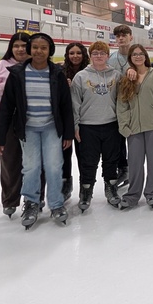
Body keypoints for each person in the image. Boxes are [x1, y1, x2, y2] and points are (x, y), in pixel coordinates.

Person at [0, 33, 74, 229]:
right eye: (35, 47)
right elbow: (7, 107)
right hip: (27, 128)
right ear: (30, 49)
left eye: (43, 48)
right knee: (31, 167)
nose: (39, 51)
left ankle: (56, 203)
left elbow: (65, 106)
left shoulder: (57, 73)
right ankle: (31, 202)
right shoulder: (17, 73)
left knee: (54, 167)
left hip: (51, 128)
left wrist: (69, 133)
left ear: (50, 51)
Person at [115, 44, 153, 210]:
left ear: (145, 56)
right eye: (134, 54)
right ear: (130, 58)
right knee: (134, 163)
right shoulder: (127, 78)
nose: (138, 57)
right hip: (133, 128)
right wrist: (124, 126)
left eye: (141, 54)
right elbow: (122, 104)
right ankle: (132, 195)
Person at [71, 40, 122, 210]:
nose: (99, 56)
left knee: (111, 161)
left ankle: (111, 189)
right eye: (95, 53)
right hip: (88, 126)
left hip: (111, 125)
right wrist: (76, 126)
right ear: (90, 56)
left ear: (108, 56)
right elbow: (75, 103)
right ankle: (86, 192)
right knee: (88, 162)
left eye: (102, 53)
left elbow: (121, 101)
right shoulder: (81, 76)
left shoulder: (116, 75)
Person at [0, 31, 30, 218]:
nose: (20, 49)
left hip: (31, 116)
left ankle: (32, 198)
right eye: (16, 46)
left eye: (23, 45)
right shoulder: (2, 65)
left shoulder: (36, 64)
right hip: (7, 116)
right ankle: (10, 199)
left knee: (33, 161)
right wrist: (11, 84)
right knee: (9, 160)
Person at [60, 42, 90, 200]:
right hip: (64, 118)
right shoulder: (60, 71)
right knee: (64, 153)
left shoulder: (90, 71)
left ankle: (84, 186)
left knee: (83, 154)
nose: (75, 56)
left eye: (78, 53)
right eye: (71, 53)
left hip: (84, 119)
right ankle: (66, 184)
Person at [108, 24, 134, 182]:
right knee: (118, 141)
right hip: (118, 105)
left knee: (136, 140)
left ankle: (136, 169)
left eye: (124, 35)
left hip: (135, 105)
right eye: (118, 36)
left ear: (131, 37)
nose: (121, 38)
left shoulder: (137, 56)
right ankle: (123, 168)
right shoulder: (111, 59)